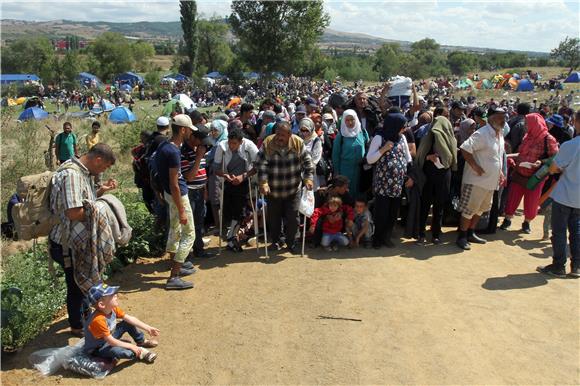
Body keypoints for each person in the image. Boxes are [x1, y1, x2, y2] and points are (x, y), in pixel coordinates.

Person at [49, 144, 118, 337]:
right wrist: (100, 211)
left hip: (73, 241)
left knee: (81, 281)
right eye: (104, 167)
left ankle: (85, 316)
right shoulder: (72, 175)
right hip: (67, 243)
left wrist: (100, 192)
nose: (103, 171)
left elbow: (82, 200)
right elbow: (74, 212)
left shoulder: (82, 173)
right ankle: (78, 325)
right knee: (77, 284)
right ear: (97, 160)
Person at [154, 114, 197, 290]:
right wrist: (181, 210)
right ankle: (174, 275)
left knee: (175, 229)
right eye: (189, 130)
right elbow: (175, 183)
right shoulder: (173, 152)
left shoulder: (164, 145)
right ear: (184, 130)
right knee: (189, 234)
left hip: (169, 194)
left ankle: (176, 263)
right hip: (178, 195)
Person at [257, 121, 314, 252]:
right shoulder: (268, 143)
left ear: (289, 134)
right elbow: (261, 164)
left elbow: (308, 163)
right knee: (274, 218)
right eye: (277, 134)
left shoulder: (298, 143)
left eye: (282, 135)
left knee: (293, 218)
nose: (279, 137)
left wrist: (308, 179)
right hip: (273, 189)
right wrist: (263, 182)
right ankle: (275, 241)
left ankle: (291, 242)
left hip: (293, 188)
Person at [455, 107, 506, 250]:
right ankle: (462, 236)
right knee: (469, 209)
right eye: (500, 117)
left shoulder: (499, 134)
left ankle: (471, 232)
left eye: (504, 116)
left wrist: (500, 171)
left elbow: (497, 156)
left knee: (480, 209)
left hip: (491, 182)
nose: (503, 120)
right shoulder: (482, 134)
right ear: (491, 118)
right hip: (476, 181)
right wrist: (474, 166)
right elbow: (465, 149)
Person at [537, 111, 580, 278]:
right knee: (576, 232)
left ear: (576, 122)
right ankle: (576, 266)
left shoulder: (571, 145)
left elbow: (554, 168)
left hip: (565, 195)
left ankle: (558, 265)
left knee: (559, 231)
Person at [500, 113, 559, 233]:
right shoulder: (527, 136)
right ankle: (508, 219)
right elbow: (521, 154)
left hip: (536, 177)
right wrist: (506, 156)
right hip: (519, 172)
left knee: (531, 201)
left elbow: (555, 158)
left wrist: (540, 162)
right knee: (513, 197)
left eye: (527, 123)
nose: (525, 126)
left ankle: (527, 222)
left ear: (535, 124)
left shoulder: (548, 139)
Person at [366, 112, 413, 248]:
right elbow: (370, 159)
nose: (404, 129)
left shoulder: (402, 138)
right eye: (402, 126)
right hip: (383, 183)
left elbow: (408, 157)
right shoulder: (379, 138)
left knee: (393, 213)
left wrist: (408, 174)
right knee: (381, 212)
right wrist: (383, 149)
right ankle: (377, 239)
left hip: (397, 184)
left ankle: (386, 237)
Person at [83, 283, 159, 364]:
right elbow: (111, 341)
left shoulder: (113, 309)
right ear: (101, 304)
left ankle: (141, 341)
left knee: (128, 322)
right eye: (112, 295)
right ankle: (142, 353)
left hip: (109, 337)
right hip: (98, 348)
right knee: (124, 353)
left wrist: (147, 327)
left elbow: (130, 319)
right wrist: (131, 346)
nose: (116, 295)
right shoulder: (98, 320)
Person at [214, 128, 259, 252]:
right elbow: (216, 168)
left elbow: (258, 165)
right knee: (231, 211)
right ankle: (231, 237)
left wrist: (243, 176)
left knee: (240, 211)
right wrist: (225, 176)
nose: (231, 146)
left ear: (240, 142)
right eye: (230, 142)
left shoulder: (249, 146)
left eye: (234, 143)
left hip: (245, 182)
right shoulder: (221, 146)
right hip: (228, 181)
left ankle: (231, 237)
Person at [415, 115, 457, 245]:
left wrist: (444, 159)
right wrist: (429, 157)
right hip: (428, 177)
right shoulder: (428, 138)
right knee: (425, 206)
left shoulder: (451, 139)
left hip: (443, 177)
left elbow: (452, 159)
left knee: (439, 207)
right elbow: (419, 157)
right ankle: (421, 234)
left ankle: (436, 234)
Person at [181, 124, 215, 258]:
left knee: (199, 222)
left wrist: (205, 189)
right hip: (189, 192)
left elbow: (202, 173)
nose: (203, 144)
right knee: (189, 225)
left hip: (200, 191)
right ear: (193, 137)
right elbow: (189, 176)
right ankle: (186, 255)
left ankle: (199, 250)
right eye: (201, 140)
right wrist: (198, 158)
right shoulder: (184, 152)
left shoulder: (199, 150)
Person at [332, 110, 369, 197]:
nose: (350, 122)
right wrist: (337, 172)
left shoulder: (362, 132)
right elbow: (335, 155)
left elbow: (368, 146)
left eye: (352, 119)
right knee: (346, 193)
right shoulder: (341, 136)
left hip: (360, 170)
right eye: (347, 120)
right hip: (345, 170)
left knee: (359, 192)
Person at [298, 118, 323, 189]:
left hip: (310, 172)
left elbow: (315, 158)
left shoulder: (316, 140)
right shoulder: (297, 138)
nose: (304, 133)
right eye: (302, 130)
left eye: (307, 130)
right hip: (297, 172)